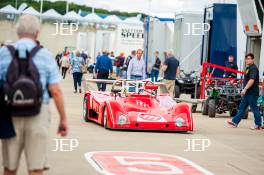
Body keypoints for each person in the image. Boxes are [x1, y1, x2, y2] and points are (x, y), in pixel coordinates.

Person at [0, 14, 68, 175]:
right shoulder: (45, 55)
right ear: (38, 33)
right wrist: (63, 119)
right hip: (38, 113)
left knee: (9, 168)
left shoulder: (3, 53)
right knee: (36, 168)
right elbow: (56, 91)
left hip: (10, 114)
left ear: (17, 32)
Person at [227, 53, 262, 130]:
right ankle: (235, 122)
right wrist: (241, 84)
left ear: (253, 60)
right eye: (246, 59)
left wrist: (245, 88)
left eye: (249, 58)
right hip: (247, 93)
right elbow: (247, 79)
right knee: (242, 108)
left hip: (252, 93)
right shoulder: (248, 68)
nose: (247, 60)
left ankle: (258, 125)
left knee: (254, 108)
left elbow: (252, 80)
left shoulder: (253, 68)